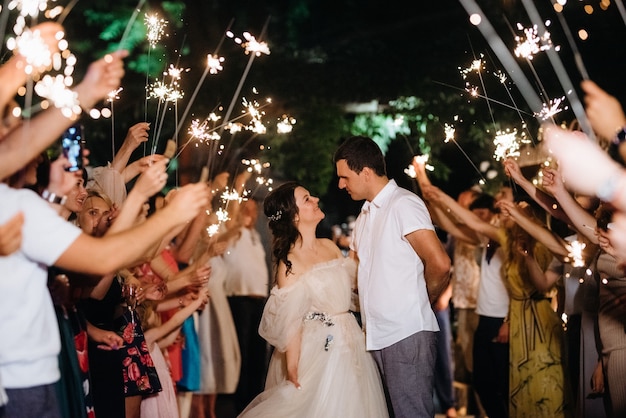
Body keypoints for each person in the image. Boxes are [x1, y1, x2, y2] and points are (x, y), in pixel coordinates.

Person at [238, 181, 389, 417]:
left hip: (352, 343)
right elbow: (291, 322)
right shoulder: (290, 262)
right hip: (318, 351)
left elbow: (355, 284)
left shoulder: (329, 246)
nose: (316, 199)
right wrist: (293, 369)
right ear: (295, 217)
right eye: (307, 199)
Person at [333, 136, 451, 418]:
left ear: (365, 172)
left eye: (344, 177)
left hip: (406, 333)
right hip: (374, 335)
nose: (340, 184)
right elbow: (355, 273)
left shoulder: (403, 204)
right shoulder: (364, 215)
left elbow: (440, 263)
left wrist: (424, 299)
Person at [223, 198, 270, 413]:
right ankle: (239, 402)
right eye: (246, 208)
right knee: (241, 350)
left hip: (258, 300)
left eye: (253, 209)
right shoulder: (233, 232)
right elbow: (232, 221)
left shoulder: (256, 236)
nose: (251, 212)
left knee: (258, 352)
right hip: (239, 299)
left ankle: (255, 397)